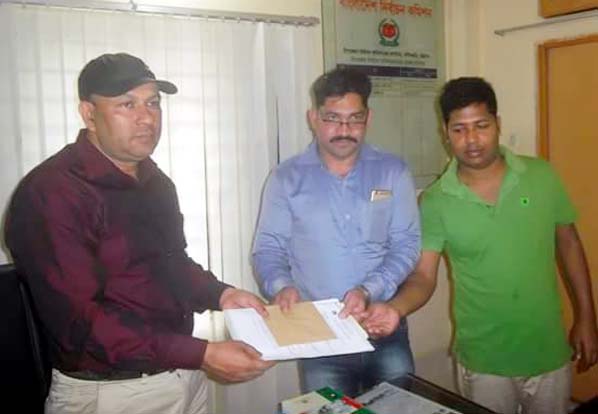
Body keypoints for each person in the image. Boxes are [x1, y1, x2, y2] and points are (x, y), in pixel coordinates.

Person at [4, 52, 274, 414]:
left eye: (152, 103)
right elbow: (82, 324)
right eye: (126, 104)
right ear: (89, 114)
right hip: (113, 393)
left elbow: (172, 265)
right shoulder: (52, 193)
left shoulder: (155, 181)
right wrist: (202, 353)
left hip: (182, 375)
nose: (146, 118)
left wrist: (222, 294)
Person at [362, 77, 598, 414]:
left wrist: (587, 318)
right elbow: (424, 276)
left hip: (548, 351)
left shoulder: (541, 175)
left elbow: (570, 244)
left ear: (497, 124)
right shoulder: (436, 201)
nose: (471, 140)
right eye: (459, 129)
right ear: (445, 132)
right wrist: (395, 308)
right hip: (483, 360)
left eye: (481, 125)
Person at [252, 67, 421, 397]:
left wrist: (368, 290)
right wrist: (281, 287)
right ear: (313, 117)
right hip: (321, 335)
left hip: (382, 326)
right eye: (332, 118)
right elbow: (268, 248)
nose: (344, 130)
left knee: (397, 408)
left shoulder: (393, 172)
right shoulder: (285, 178)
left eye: (354, 119)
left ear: (368, 118)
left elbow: (406, 243)